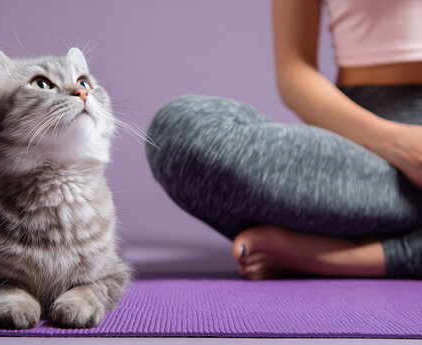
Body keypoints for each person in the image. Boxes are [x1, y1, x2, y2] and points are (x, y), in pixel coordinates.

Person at [145, 0, 422, 280]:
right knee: (182, 131)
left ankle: (347, 257)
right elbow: (295, 73)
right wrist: (396, 143)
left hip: (383, 182)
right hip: (363, 147)